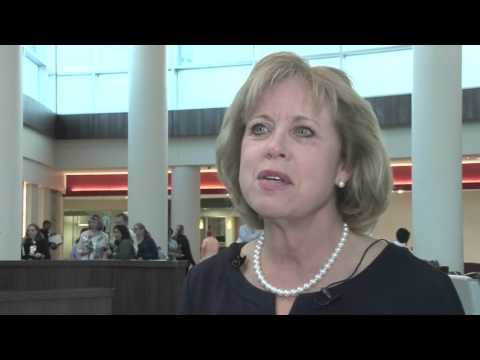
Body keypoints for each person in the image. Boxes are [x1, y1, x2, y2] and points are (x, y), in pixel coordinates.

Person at [178, 52, 464, 315]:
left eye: (303, 131)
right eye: (259, 128)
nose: (274, 146)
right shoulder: (204, 284)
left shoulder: (418, 292)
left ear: (345, 165)